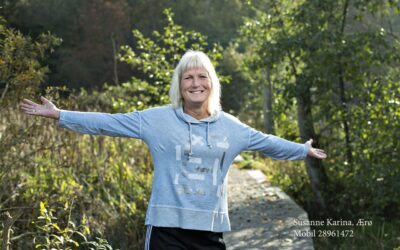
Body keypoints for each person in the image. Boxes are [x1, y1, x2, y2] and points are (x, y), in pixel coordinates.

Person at [20, 51, 326, 250]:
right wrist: (61, 115)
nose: (195, 83)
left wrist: (301, 150)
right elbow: (108, 123)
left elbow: (266, 142)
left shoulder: (231, 127)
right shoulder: (157, 120)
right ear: (179, 85)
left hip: (209, 231)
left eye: (202, 76)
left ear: (212, 83)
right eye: (188, 77)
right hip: (165, 231)